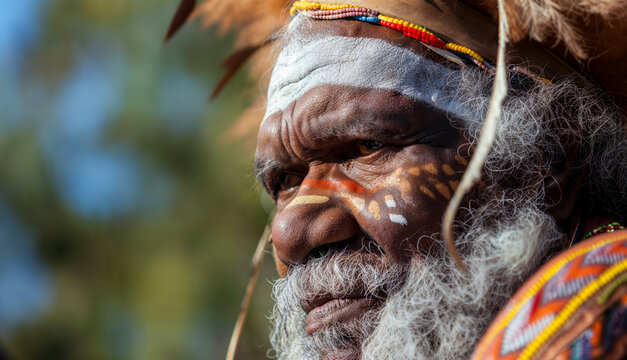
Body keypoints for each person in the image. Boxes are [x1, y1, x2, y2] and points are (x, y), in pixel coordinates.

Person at [169, 1, 626, 359]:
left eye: (368, 147)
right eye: (284, 182)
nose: (289, 234)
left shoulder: (599, 311)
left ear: (546, 164)